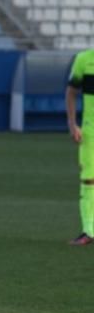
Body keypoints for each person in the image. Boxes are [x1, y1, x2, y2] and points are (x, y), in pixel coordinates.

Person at [67, 48, 94, 245]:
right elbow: (71, 92)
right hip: (90, 131)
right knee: (88, 180)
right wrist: (72, 123)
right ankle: (89, 230)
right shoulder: (83, 60)